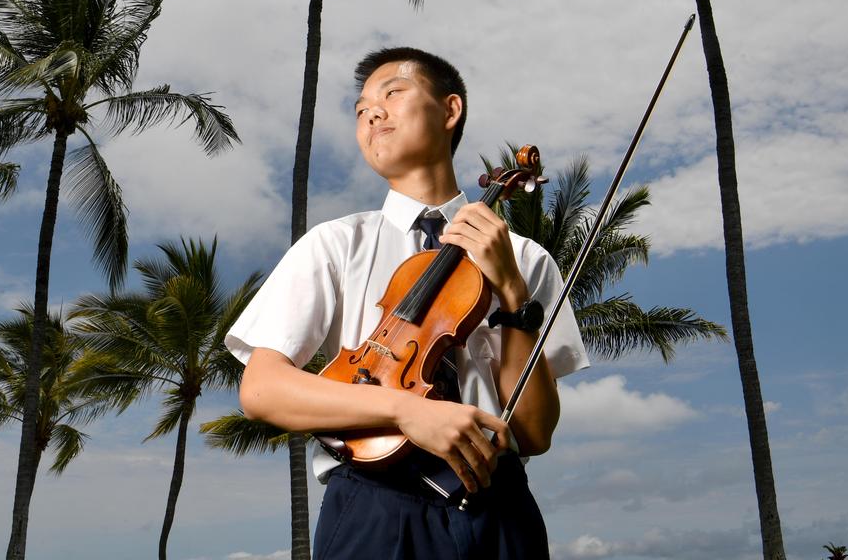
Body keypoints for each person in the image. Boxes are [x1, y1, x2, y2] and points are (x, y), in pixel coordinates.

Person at [225, 47, 589, 559]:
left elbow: (532, 432)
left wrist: (512, 293)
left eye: (392, 93)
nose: (372, 112)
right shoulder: (334, 245)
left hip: (500, 510)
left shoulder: (526, 259)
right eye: (360, 109)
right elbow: (262, 389)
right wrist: (405, 409)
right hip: (375, 510)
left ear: (450, 110)